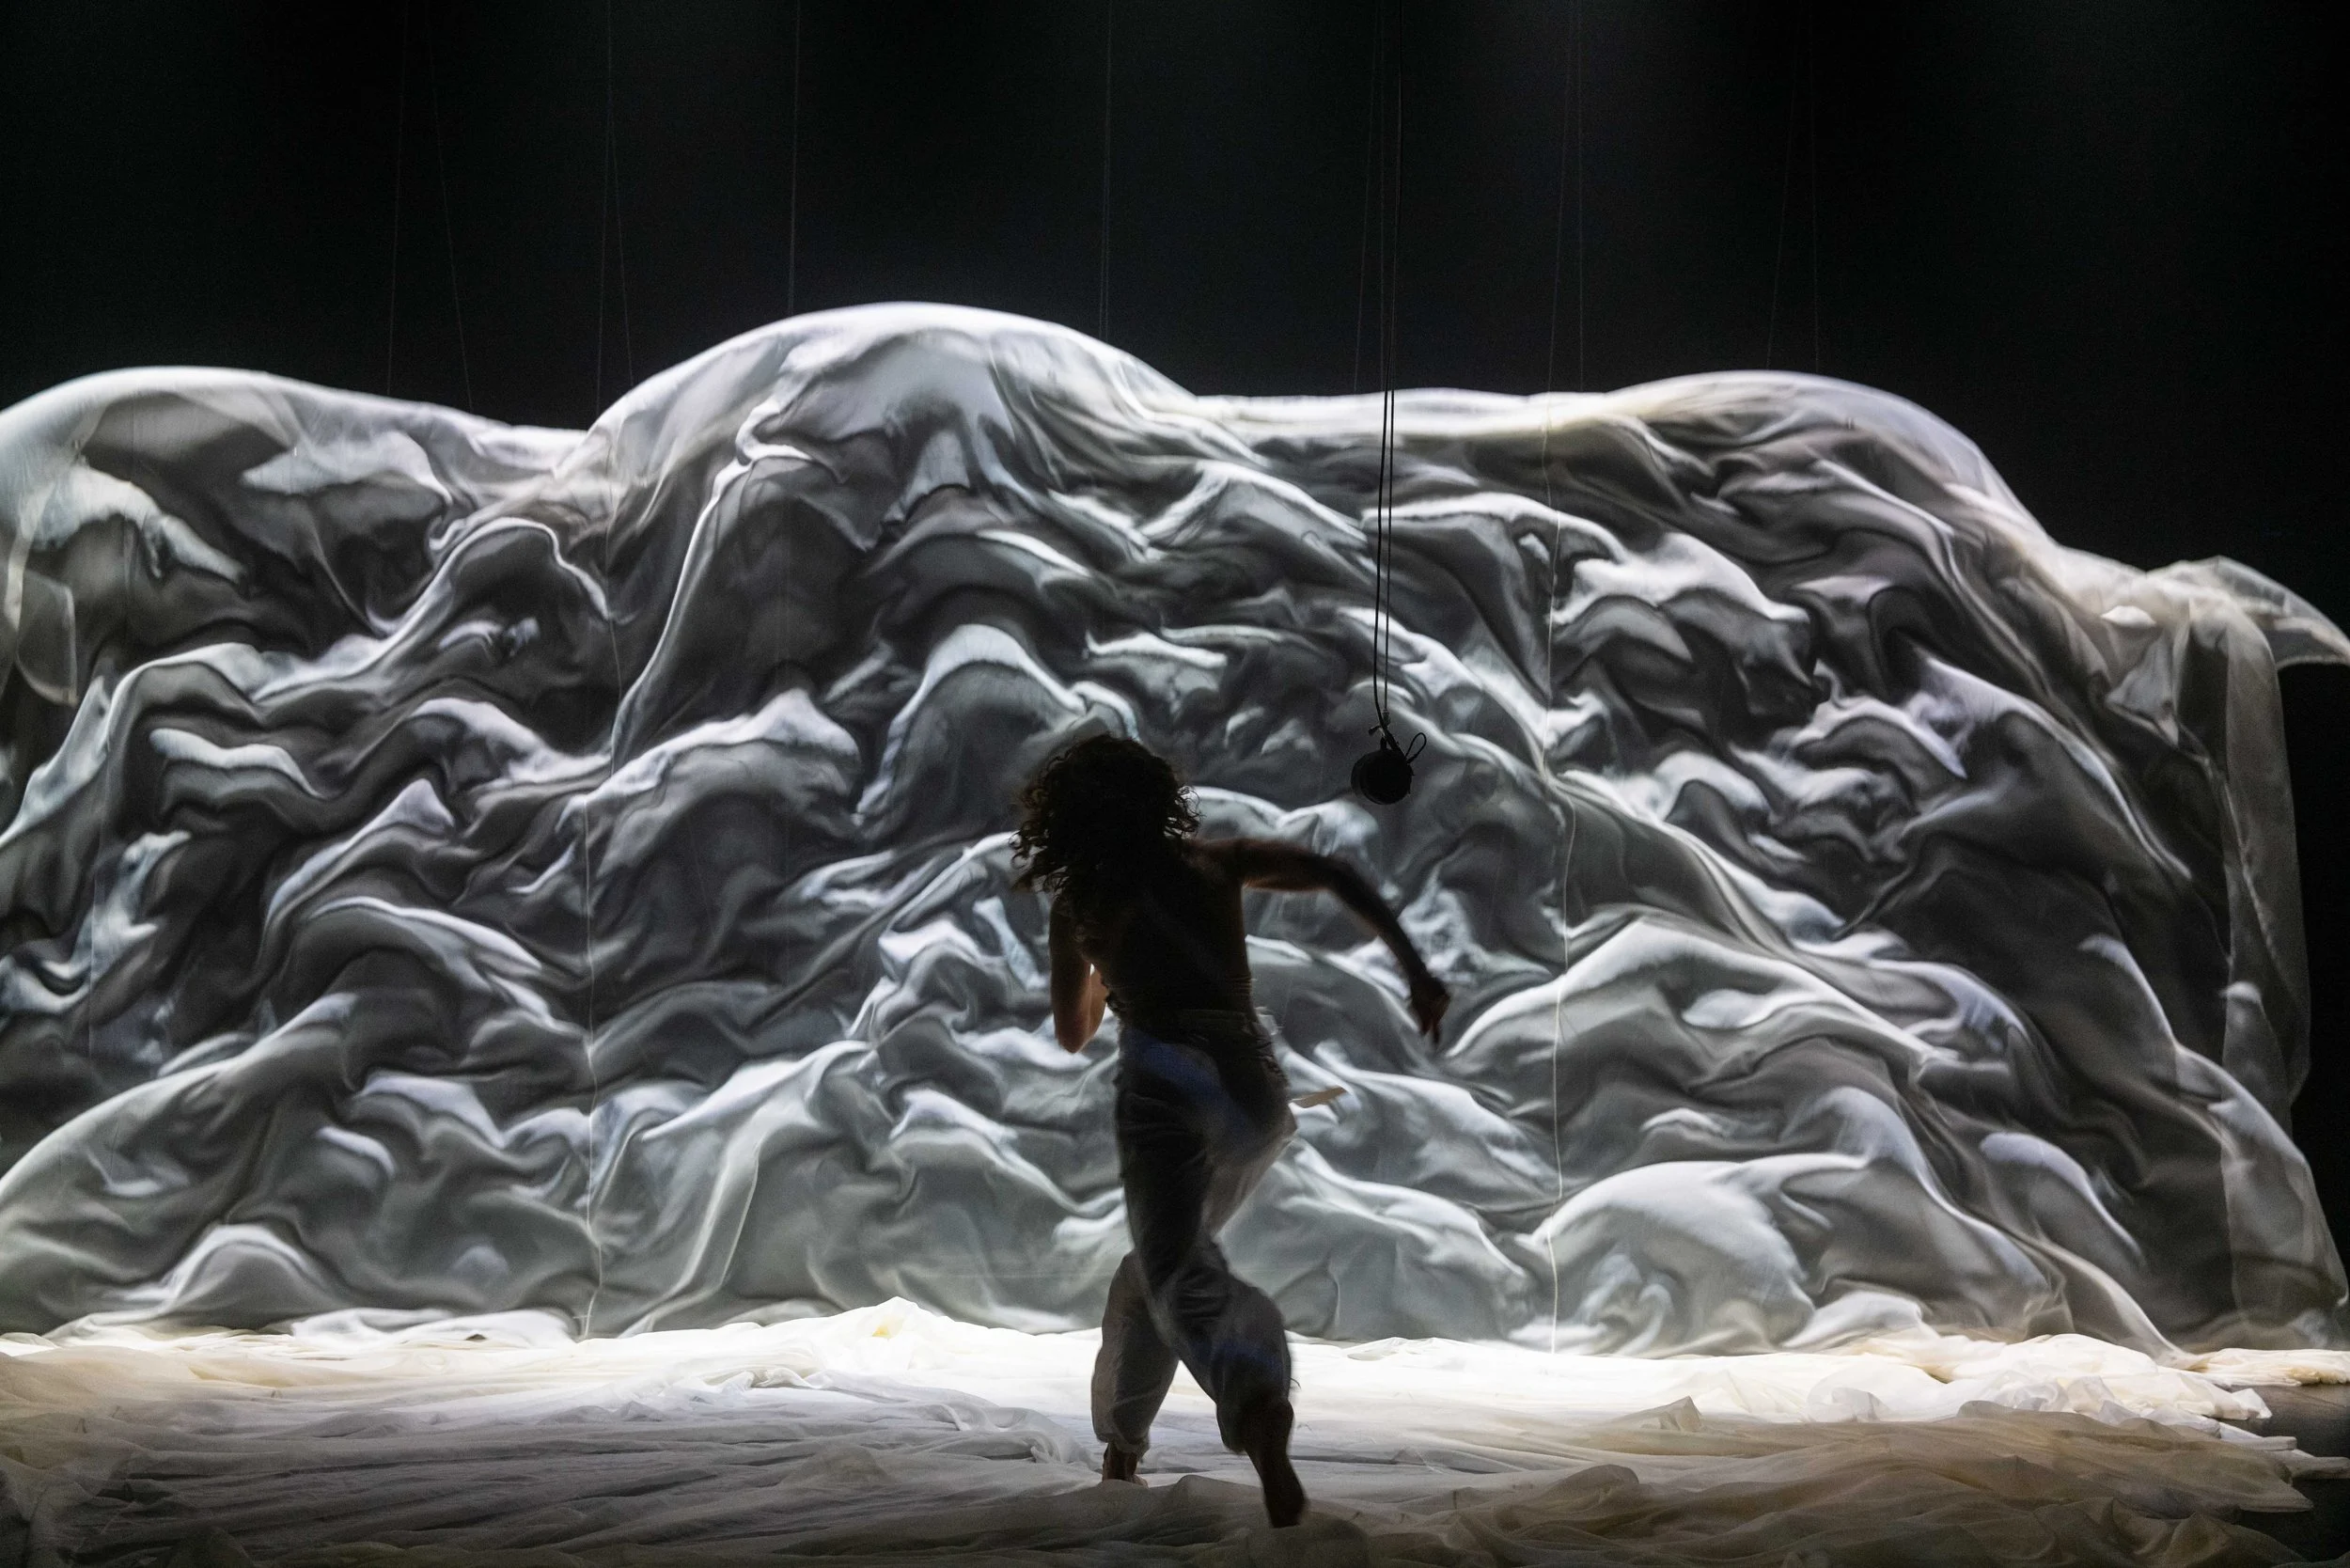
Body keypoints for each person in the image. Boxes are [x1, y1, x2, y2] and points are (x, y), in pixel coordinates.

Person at [1013, 734, 1449, 1528]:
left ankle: (1255, 1409)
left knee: (1176, 1271)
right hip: (1253, 1093)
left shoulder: (1081, 906)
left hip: (1163, 1085)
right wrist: (1417, 971)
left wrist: (1112, 982)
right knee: (1150, 1275)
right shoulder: (1215, 863)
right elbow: (1334, 873)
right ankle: (1122, 1458)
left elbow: (1073, 1033)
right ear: (1158, 800)